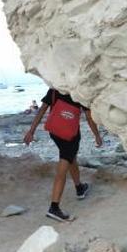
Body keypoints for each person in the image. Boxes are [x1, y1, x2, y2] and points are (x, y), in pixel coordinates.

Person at [24, 87, 103, 222]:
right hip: (70, 135)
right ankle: (54, 207)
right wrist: (97, 135)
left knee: (71, 157)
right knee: (64, 165)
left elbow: (42, 110)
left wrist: (31, 131)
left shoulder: (55, 89)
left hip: (55, 131)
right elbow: (89, 117)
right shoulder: (80, 92)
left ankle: (79, 188)